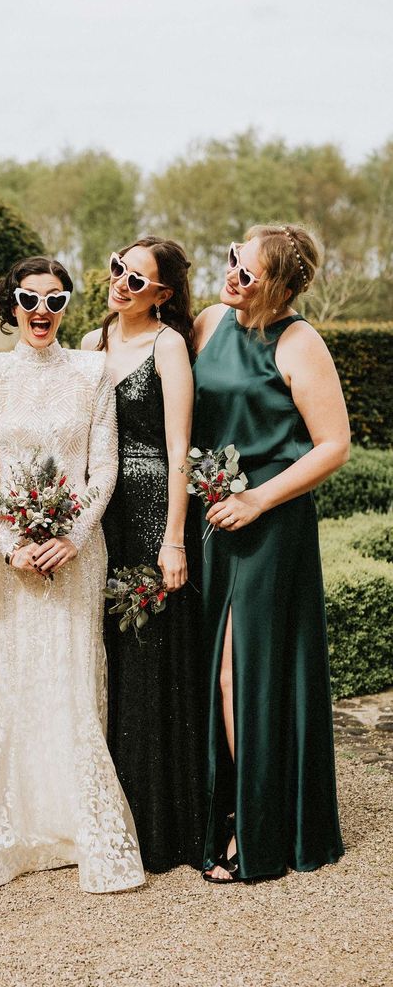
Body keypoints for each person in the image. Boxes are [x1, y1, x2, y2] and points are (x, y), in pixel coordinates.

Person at [0, 256, 145, 893]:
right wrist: (9, 542)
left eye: (56, 301)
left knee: (70, 674)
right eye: (31, 300)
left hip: (76, 553)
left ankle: (79, 825)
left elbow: (105, 472)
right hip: (7, 561)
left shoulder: (93, 372)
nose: (42, 313)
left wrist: (70, 536)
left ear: (67, 306)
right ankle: (17, 826)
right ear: (11, 303)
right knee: (16, 678)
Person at [192, 224, 349, 882]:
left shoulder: (299, 341)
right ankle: (233, 806)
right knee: (216, 669)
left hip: (269, 524)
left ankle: (248, 824)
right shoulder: (205, 323)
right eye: (231, 258)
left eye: (248, 272)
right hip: (210, 521)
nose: (231, 274)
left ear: (281, 286)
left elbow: (331, 445)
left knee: (242, 672)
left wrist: (258, 499)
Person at [82, 237, 206, 872]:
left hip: (155, 505)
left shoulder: (168, 344)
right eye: (117, 271)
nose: (121, 284)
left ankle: (163, 822)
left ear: (163, 293)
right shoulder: (90, 341)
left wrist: (175, 537)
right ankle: (109, 812)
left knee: (151, 654)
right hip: (101, 514)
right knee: (106, 652)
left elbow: (180, 445)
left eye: (137, 279)